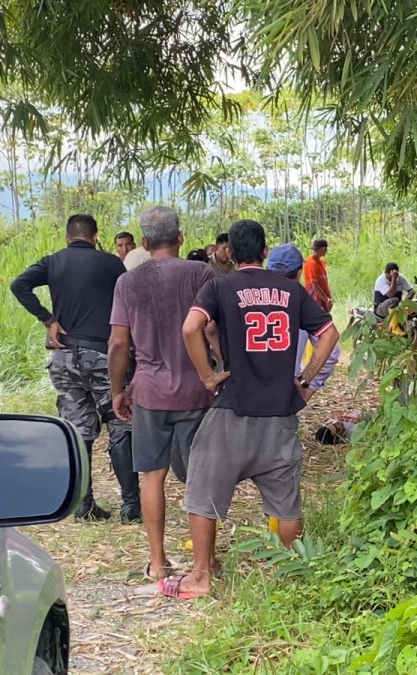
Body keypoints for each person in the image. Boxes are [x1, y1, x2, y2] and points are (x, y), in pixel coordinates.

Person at [165, 219, 340, 600]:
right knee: (285, 503)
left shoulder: (220, 286)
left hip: (232, 410)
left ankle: (202, 574)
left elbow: (191, 328)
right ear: (264, 251)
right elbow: (329, 334)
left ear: (230, 252)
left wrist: (208, 376)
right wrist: (306, 378)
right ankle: (291, 574)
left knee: (202, 489)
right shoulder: (291, 291)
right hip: (280, 413)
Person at [109, 206, 217, 582]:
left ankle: (157, 561)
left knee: (151, 477)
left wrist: (118, 390)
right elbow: (211, 329)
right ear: (181, 237)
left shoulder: (128, 283)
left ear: (142, 242)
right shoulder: (201, 273)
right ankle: (206, 563)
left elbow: (119, 344)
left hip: (150, 392)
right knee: (200, 477)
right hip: (196, 391)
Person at [10, 214, 140, 522]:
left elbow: (19, 285)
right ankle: (131, 506)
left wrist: (48, 319)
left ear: (67, 237)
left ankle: (84, 505)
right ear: (96, 237)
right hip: (102, 356)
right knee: (120, 424)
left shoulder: (53, 262)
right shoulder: (111, 264)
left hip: (64, 357)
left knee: (78, 430)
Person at [266, 243, 340, 393]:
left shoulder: (246, 299)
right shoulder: (302, 306)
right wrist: (306, 384)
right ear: (299, 273)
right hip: (285, 393)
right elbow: (331, 349)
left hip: (247, 391)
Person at [302, 238, 333, 311]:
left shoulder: (322, 262)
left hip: (323, 298)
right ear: (323, 249)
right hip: (315, 299)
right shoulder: (310, 263)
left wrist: (329, 298)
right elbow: (314, 286)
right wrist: (327, 300)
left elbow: (324, 281)